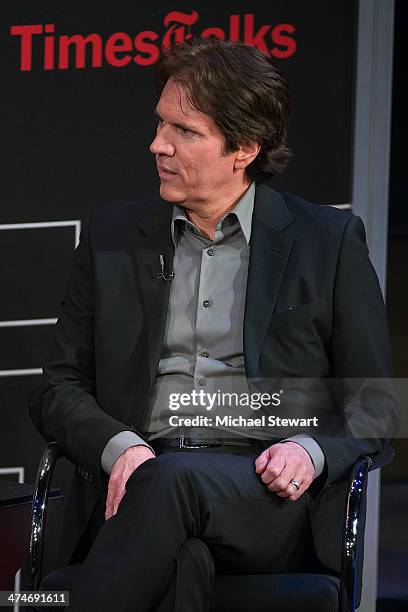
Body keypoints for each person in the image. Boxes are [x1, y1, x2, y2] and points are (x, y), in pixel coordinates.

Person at [30, 38, 396, 611]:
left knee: (173, 480)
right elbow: (58, 386)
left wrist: (309, 449)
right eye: (160, 124)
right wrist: (120, 449)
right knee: (181, 558)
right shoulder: (113, 236)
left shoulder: (326, 242)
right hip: (133, 492)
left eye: (184, 131)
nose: (158, 144)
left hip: (261, 500)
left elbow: (377, 400)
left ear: (243, 149)